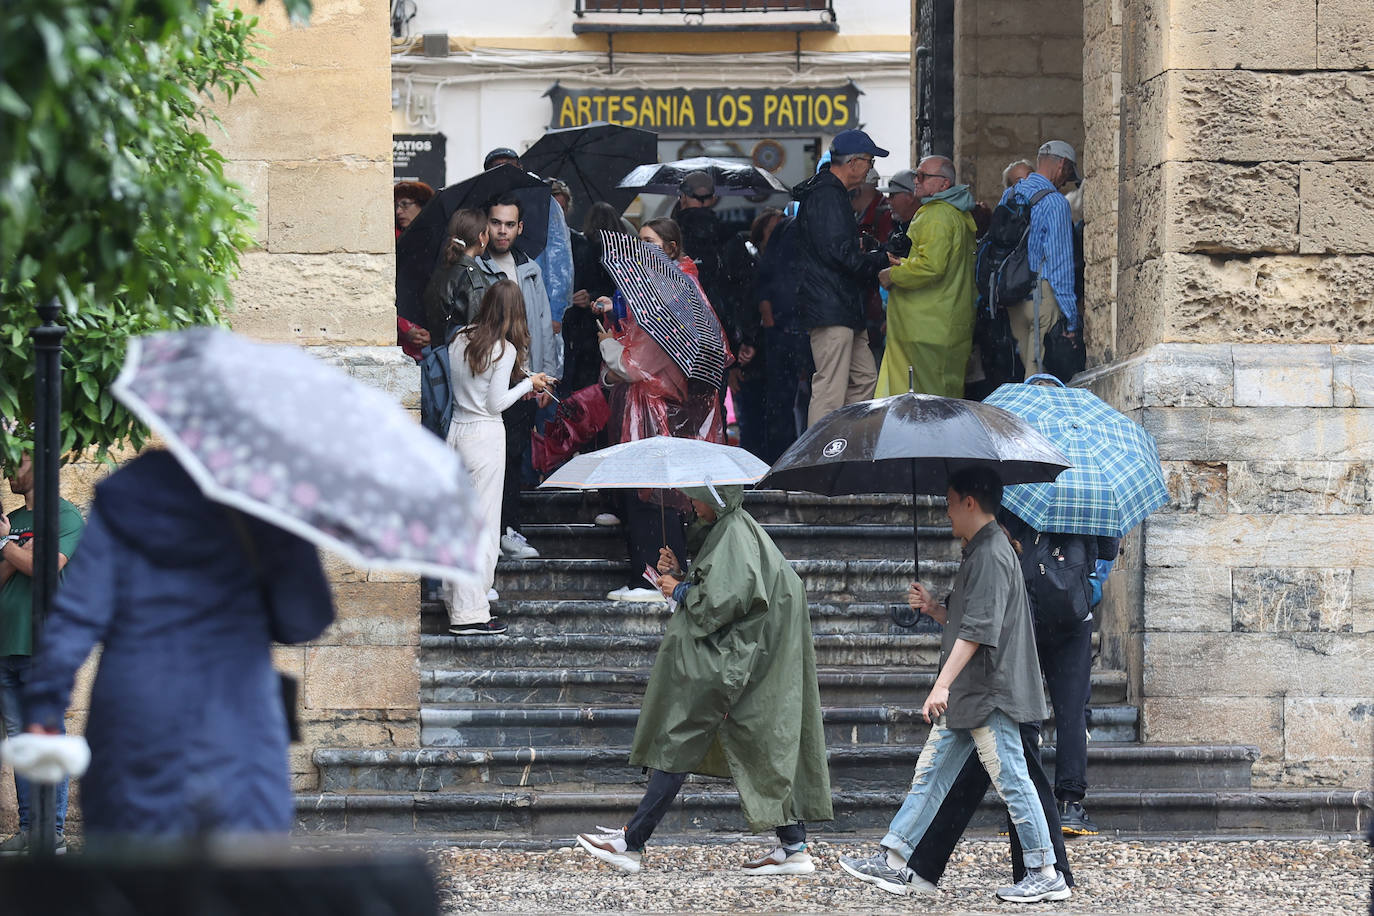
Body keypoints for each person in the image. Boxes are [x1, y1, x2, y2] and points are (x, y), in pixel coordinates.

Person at [21, 450, 335, 839]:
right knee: (242, 884)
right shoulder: (266, 495)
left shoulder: (129, 494)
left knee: (133, 883)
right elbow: (301, 622)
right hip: (236, 720)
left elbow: (77, 614)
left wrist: (45, 707)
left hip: (136, 715)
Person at [839, 466, 1068, 904]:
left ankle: (1044, 870)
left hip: (987, 692)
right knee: (930, 776)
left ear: (968, 502)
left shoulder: (991, 554)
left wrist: (940, 685)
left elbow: (980, 632)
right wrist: (933, 610)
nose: (945, 511)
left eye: (948, 501)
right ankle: (893, 858)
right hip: (973, 691)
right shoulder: (982, 550)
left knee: (1013, 779)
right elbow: (971, 621)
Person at [575, 484, 831, 875]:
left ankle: (631, 842)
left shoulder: (734, 532)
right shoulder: (733, 529)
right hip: (755, 657)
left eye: (696, 498)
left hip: (738, 659)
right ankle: (793, 845)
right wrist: (679, 573)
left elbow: (725, 601)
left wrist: (678, 588)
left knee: (681, 736)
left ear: (715, 498)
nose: (691, 505)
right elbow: (728, 587)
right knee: (760, 743)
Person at [594, 222, 727, 601]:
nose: (642, 249)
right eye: (640, 242)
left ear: (670, 247)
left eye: (649, 243)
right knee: (656, 491)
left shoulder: (671, 298)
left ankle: (652, 580)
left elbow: (635, 364)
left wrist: (607, 345)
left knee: (653, 493)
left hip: (656, 412)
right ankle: (651, 576)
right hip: (662, 408)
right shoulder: (672, 291)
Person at [444, 279, 556, 636]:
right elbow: (494, 404)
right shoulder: (503, 349)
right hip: (485, 435)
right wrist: (528, 384)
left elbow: (471, 386)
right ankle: (472, 612)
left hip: (456, 432)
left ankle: (454, 599)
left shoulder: (460, 337)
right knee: (485, 528)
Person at [0, 452, 81, 855]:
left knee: (46, 737)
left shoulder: (65, 517)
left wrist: (7, 547)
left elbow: (47, 568)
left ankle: (52, 833)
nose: (8, 469)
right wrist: (16, 551)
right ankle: (31, 830)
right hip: (5, 646)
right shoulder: (12, 521)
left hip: (43, 646)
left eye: (17, 461)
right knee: (20, 742)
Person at [792, 129, 891, 426]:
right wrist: (879, 258)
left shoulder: (830, 195)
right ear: (854, 163)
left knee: (864, 378)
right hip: (831, 304)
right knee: (830, 387)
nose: (871, 169)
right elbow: (839, 254)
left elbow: (835, 249)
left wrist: (864, 254)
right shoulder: (827, 196)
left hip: (841, 305)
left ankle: (842, 441)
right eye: (870, 162)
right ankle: (819, 461)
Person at [478, 193, 557, 562]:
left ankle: (510, 529)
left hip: (525, 382)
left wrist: (547, 375)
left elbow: (542, 324)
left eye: (510, 224)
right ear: (486, 224)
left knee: (515, 458)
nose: (503, 230)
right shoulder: (477, 268)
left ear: (520, 227)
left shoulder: (529, 268)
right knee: (491, 461)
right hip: (488, 379)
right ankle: (492, 532)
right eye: (496, 223)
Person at [874, 156, 977, 399]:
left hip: (926, 327)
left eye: (922, 176)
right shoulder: (956, 214)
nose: (916, 181)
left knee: (923, 406)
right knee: (944, 401)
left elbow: (932, 267)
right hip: (944, 324)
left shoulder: (937, 215)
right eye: (915, 175)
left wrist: (893, 274)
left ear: (944, 184)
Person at [999, 141, 1080, 376]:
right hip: (1042, 296)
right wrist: (1071, 319)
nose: (1065, 182)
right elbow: (1060, 265)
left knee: (1026, 371)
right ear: (1062, 164)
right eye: (1067, 174)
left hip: (1014, 297)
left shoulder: (1011, 193)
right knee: (1040, 379)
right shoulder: (1056, 203)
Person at [753, 211, 809, 461]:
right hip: (789, 333)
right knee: (792, 401)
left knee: (783, 403)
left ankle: (782, 455)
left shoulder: (777, 256)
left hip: (784, 332)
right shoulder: (795, 245)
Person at [421, 208, 491, 344]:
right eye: (487, 232)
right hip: (462, 357)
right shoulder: (474, 279)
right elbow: (477, 331)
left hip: (439, 353)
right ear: (481, 237)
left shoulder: (442, 268)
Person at [395, 180, 437, 360]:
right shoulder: (391, 241)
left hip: (433, 342)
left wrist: (434, 331)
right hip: (400, 341)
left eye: (405, 204)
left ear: (423, 206)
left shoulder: (438, 241)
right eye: (396, 206)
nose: (398, 211)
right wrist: (405, 328)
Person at [880, 169, 921, 259]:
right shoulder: (898, 227)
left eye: (892, 195)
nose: (887, 200)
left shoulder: (925, 229)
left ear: (910, 197)